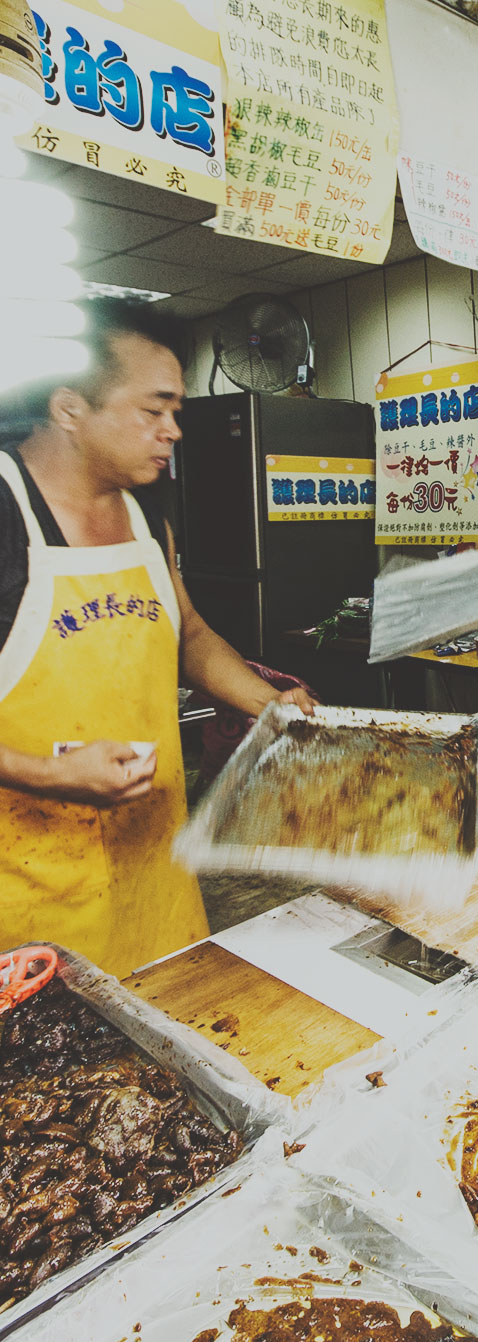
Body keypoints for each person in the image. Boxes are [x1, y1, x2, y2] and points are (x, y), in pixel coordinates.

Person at [0, 299, 314, 979]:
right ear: (69, 408)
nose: (173, 430)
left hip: (158, 877)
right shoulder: (5, 517)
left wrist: (269, 704)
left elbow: (189, 634)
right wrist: (53, 775)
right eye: (153, 410)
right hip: (31, 906)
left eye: (176, 411)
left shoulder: (146, 513)